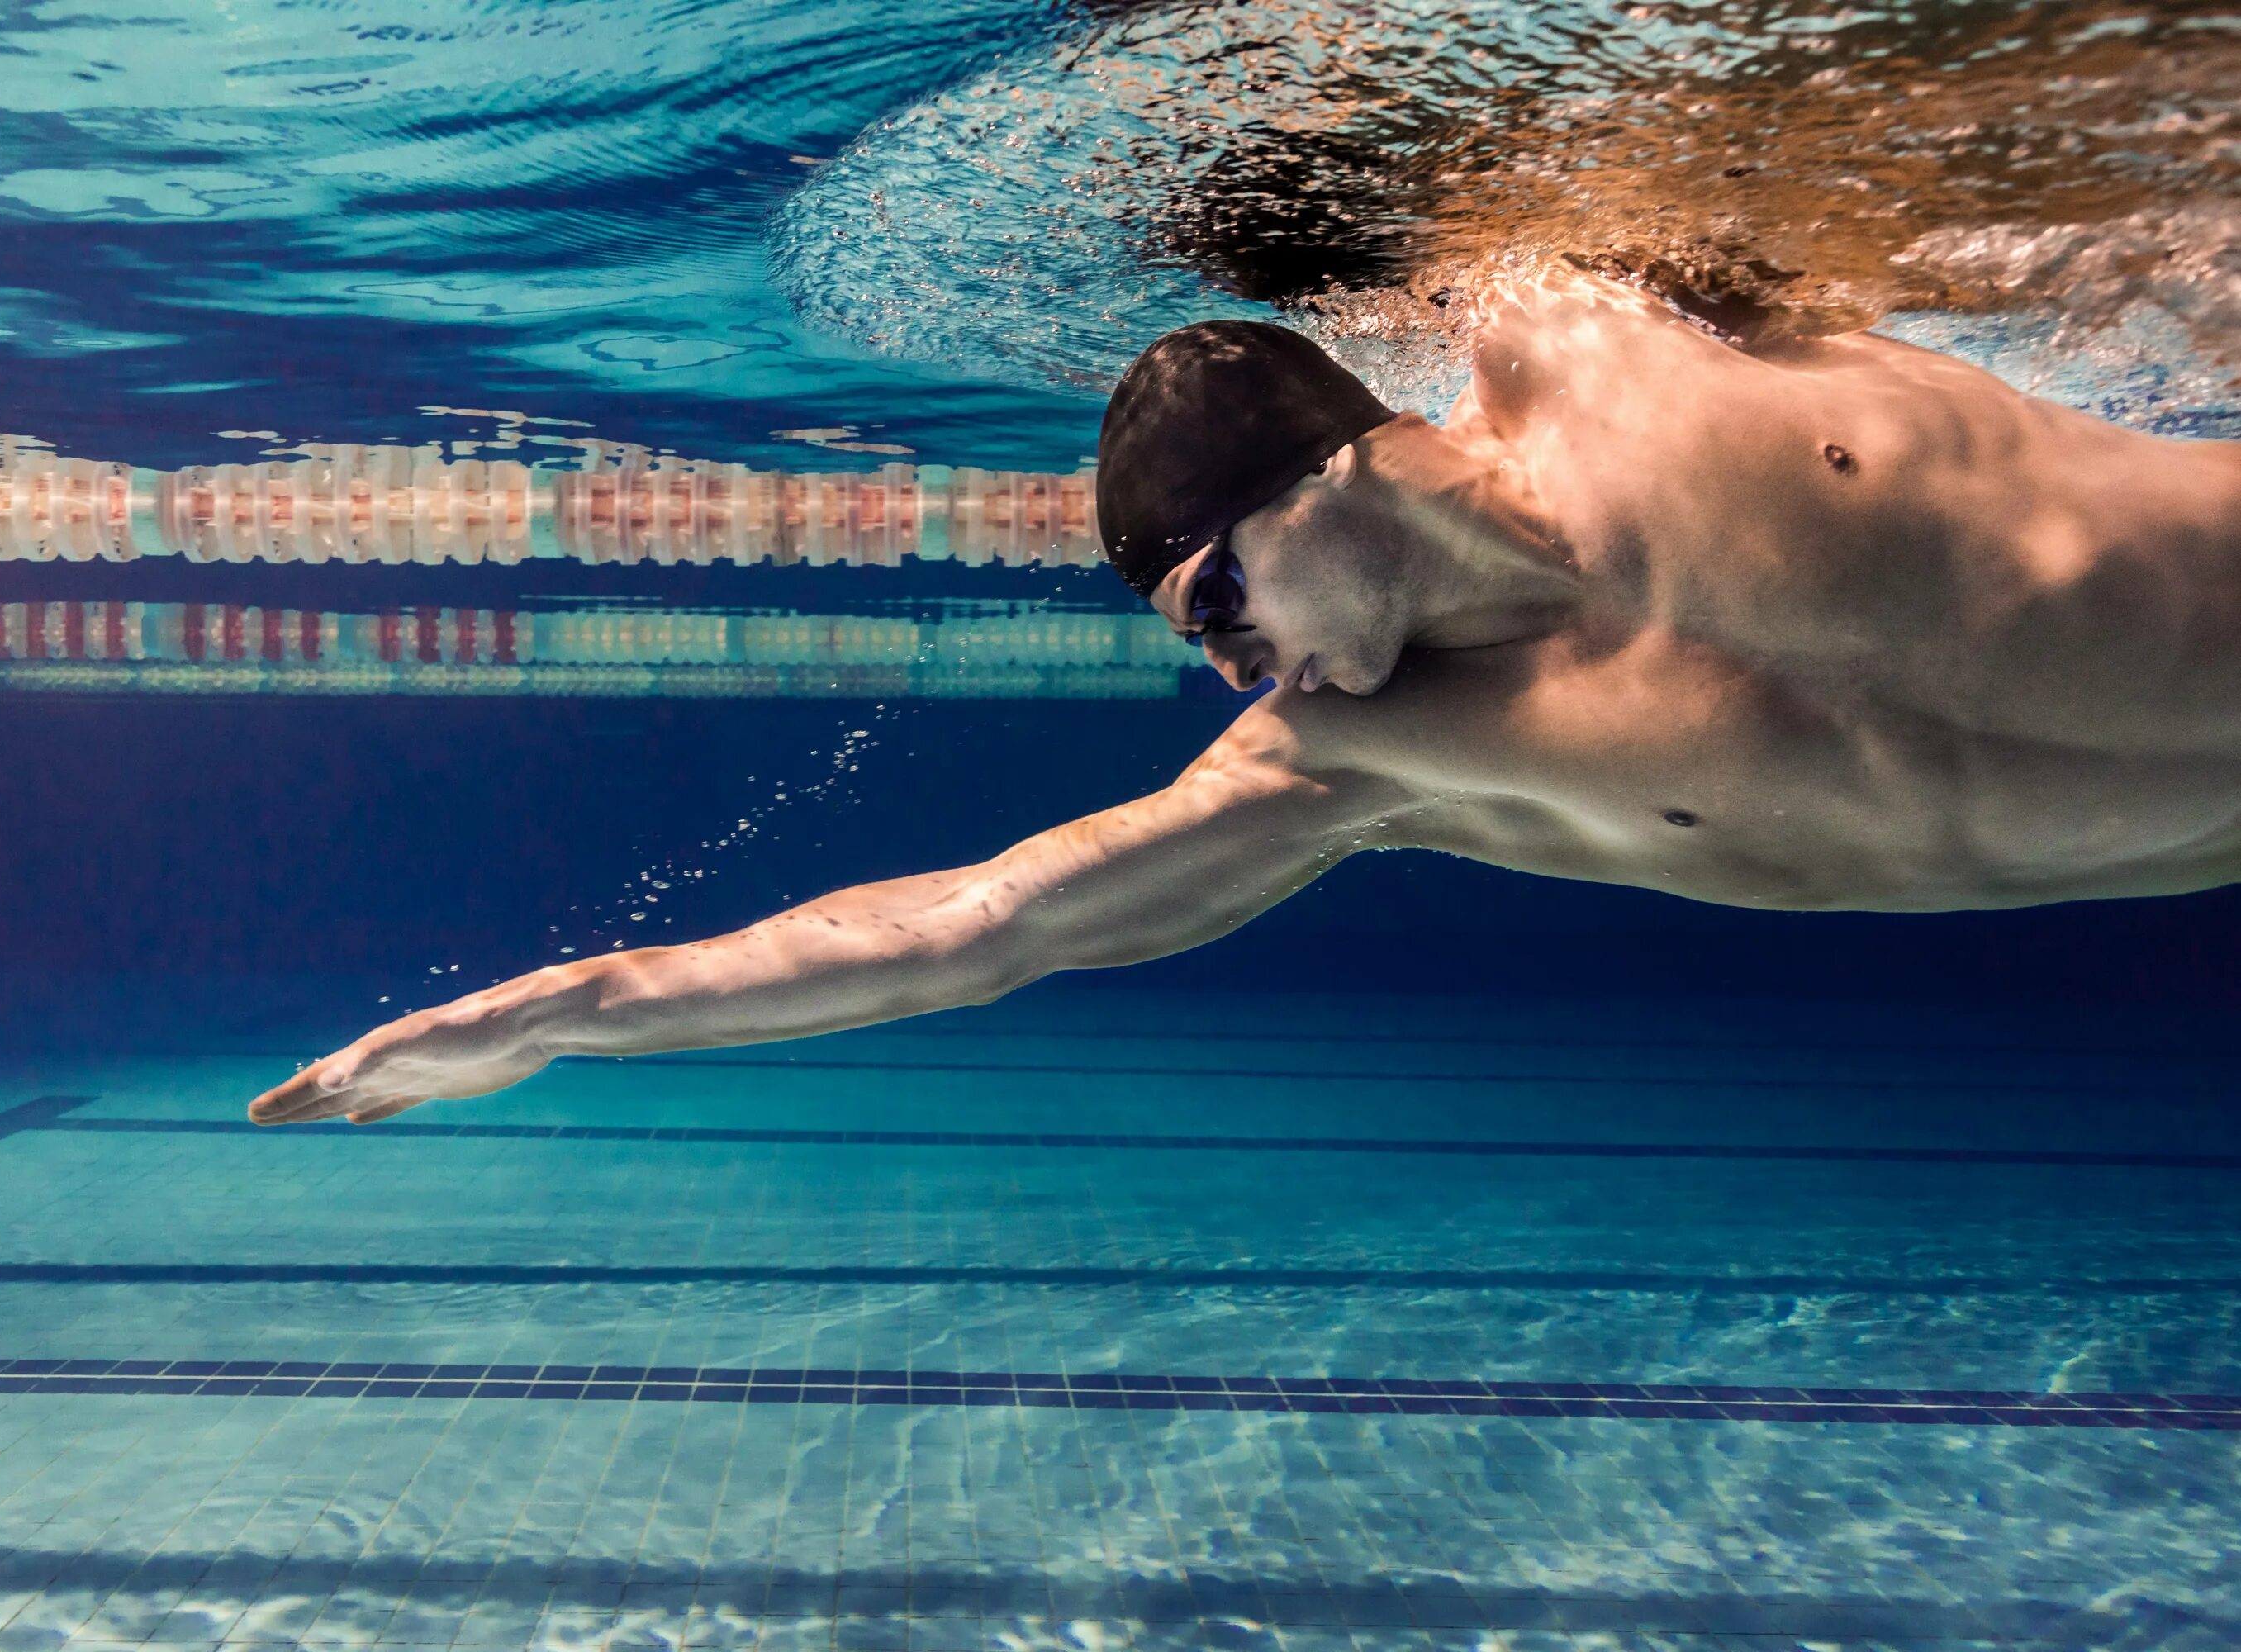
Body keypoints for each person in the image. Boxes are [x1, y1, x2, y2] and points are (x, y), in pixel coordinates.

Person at [248, 265, 2241, 1127]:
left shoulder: (1629, 388)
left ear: (1332, 478)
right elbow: (975, 928)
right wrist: (580, 1010)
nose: (1225, 666)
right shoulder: (1356, 756)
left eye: (1214, 599)